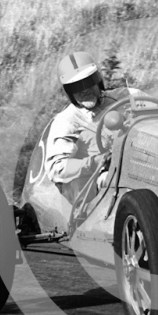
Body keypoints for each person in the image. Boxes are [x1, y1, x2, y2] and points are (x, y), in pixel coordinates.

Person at [46, 51, 136, 204]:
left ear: (98, 80)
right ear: (69, 92)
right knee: (118, 182)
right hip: (97, 181)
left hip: (138, 161)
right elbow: (57, 168)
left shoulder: (127, 95)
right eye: (75, 86)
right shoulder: (67, 121)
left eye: (88, 82)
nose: (83, 90)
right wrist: (96, 161)